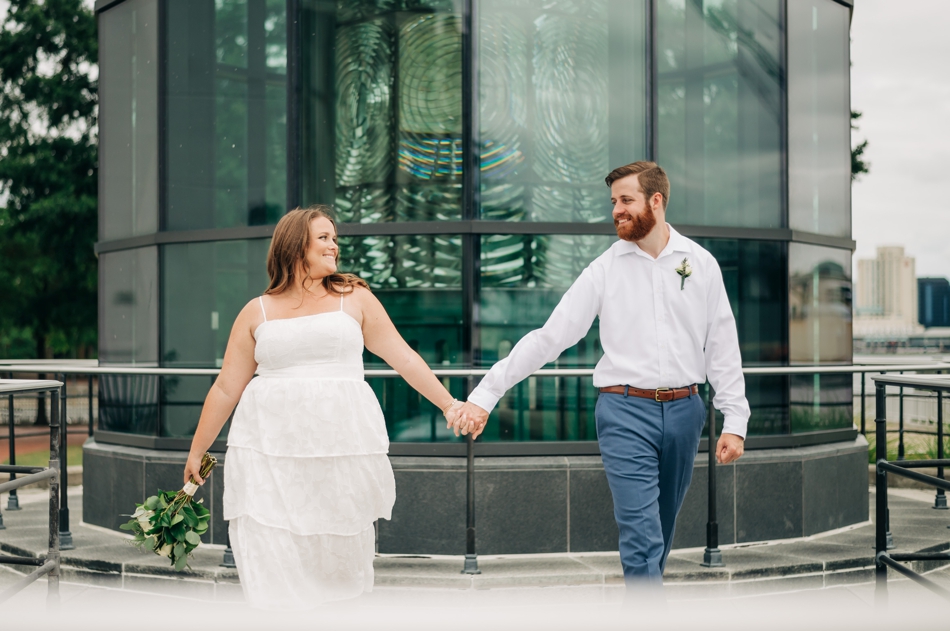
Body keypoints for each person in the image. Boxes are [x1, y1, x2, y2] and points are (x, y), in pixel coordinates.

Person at [451, 161, 749, 585]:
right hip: (624, 411)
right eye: (613, 202)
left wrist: (734, 420)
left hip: (686, 412)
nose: (616, 211)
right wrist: (485, 395)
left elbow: (722, 345)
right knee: (641, 536)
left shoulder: (700, 264)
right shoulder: (604, 270)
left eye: (626, 200)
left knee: (660, 534)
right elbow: (549, 338)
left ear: (656, 201)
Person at [183, 206, 462, 609]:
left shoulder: (356, 299)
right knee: (272, 549)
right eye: (324, 238)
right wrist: (197, 450)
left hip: (336, 455)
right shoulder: (255, 311)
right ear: (297, 245)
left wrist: (449, 404)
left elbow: (402, 356)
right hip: (268, 454)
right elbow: (227, 387)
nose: (334, 245)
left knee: (333, 559)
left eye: (335, 238)